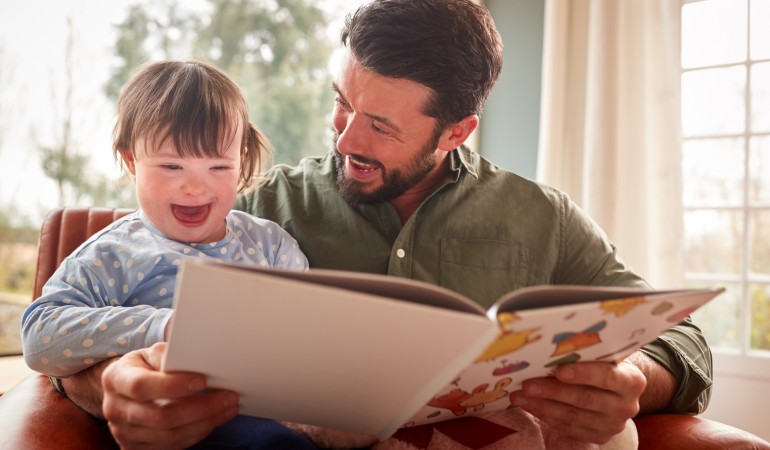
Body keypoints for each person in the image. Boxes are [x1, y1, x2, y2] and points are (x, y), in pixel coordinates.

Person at [51, 1, 712, 449]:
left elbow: (681, 340)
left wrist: (632, 381)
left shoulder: (542, 219)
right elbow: (78, 331)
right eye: (342, 104)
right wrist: (109, 381)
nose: (345, 139)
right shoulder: (253, 210)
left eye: (381, 126)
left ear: (457, 131)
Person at [20, 60, 317, 449]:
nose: (195, 187)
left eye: (218, 166)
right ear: (131, 161)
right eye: (172, 165)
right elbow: (40, 334)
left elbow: (312, 330)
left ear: (241, 159)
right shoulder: (116, 251)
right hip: (175, 424)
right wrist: (162, 327)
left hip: (276, 416)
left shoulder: (271, 245)